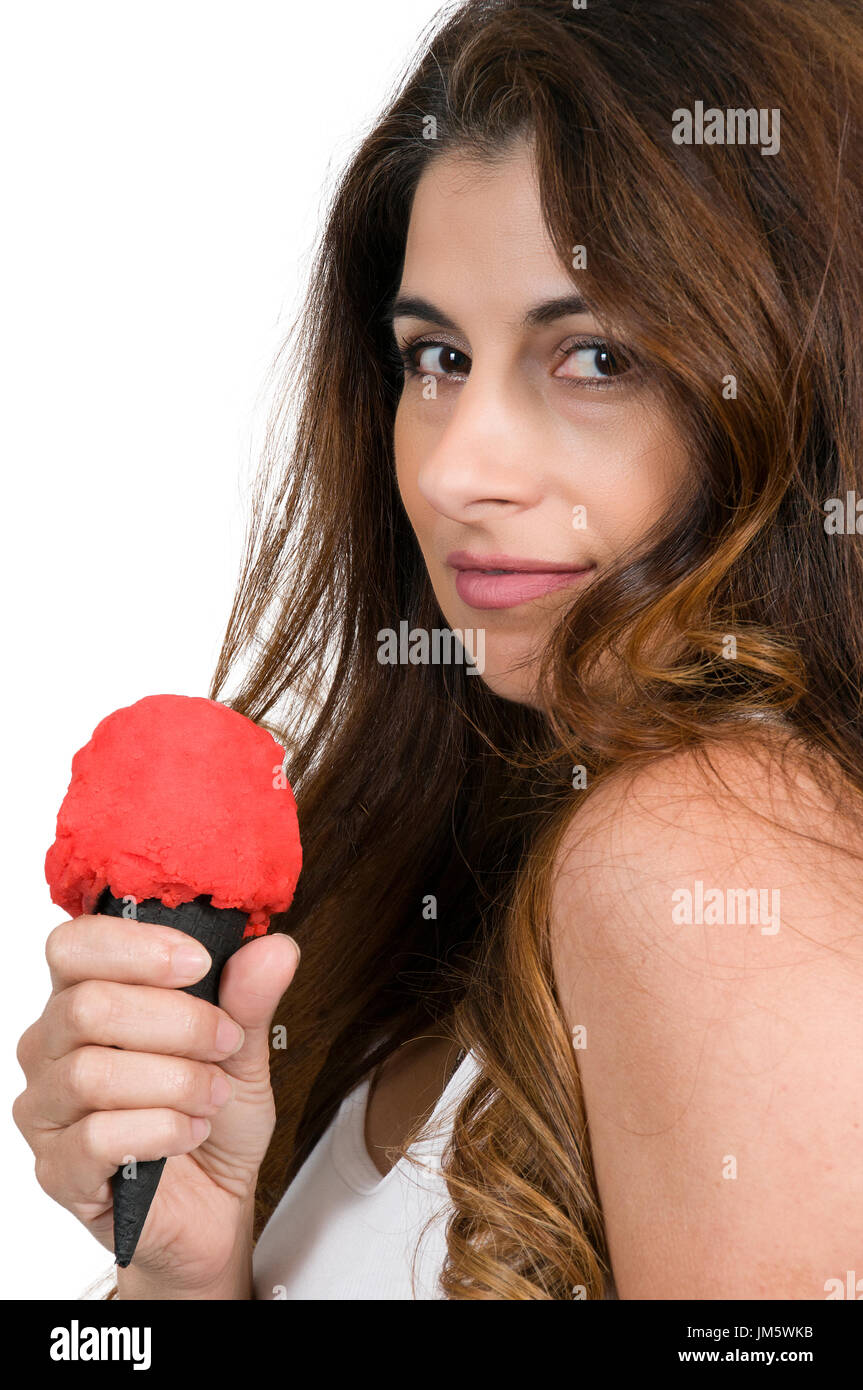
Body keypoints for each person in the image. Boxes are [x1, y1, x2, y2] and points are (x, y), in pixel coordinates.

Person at [14, 0, 863, 1300]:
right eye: (437, 355)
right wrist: (181, 1280)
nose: (458, 466)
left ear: (798, 377)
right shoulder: (463, 856)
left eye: (590, 354)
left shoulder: (700, 848)